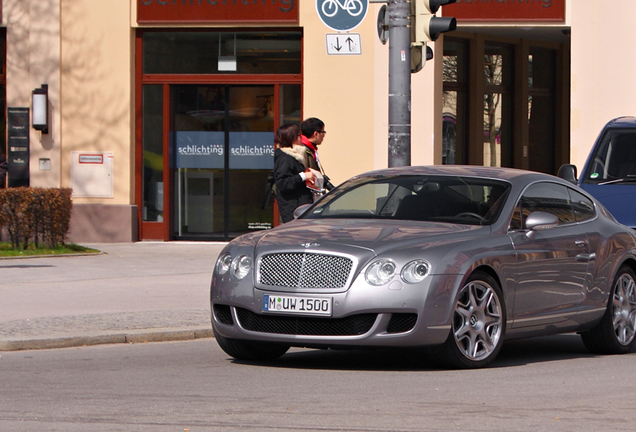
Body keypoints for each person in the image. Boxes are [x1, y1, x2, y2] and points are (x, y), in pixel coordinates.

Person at [273, 124, 315, 223]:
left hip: (300, 207)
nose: (301, 138)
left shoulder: (295, 156)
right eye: (298, 135)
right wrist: (303, 176)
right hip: (293, 210)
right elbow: (283, 183)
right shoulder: (284, 158)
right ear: (291, 138)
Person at [301, 117, 335, 191]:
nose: (324, 135)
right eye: (323, 132)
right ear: (315, 134)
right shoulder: (302, 150)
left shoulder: (310, 148)